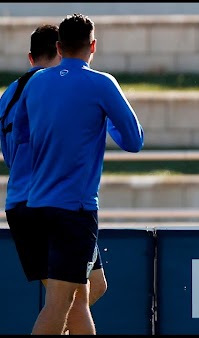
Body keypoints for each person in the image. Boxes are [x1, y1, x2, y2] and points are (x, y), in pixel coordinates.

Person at [13, 13, 144, 335]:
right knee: (59, 303)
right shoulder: (101, 83)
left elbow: (21, 140)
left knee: (81, 297)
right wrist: (102, 117)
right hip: (75, 209)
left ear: (59, 46)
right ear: (93, 46)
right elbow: (133, 141)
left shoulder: (36, 83)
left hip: (36, 205)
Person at [0, 23, 110, 334]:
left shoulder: (11, 92)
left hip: (23, 200)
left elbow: (10, 153)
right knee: (71, 301)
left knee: (94, 286)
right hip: (51, 203)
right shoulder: (51, 87)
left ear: (30, 56)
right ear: (62, 50)